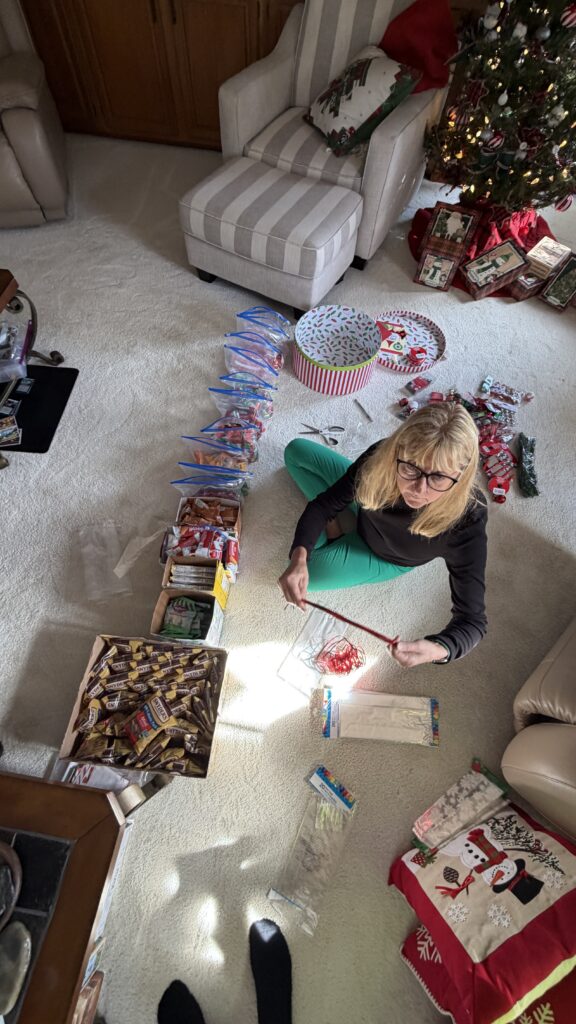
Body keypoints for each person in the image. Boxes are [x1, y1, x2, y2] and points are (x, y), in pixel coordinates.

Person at [278, 403, 487, 667]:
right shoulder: (381, 457)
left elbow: (473, 621)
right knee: (297, 452)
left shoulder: (469, 518)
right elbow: (323, 504)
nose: (419, 489)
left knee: (310, 574)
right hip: (368, 506)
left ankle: (335, 527)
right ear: (398, 451)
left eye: (438, 478)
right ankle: (335, 525)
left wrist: (439, 648)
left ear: (461, 475)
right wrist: (299, 555)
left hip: (384, 556)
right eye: (411, 468)